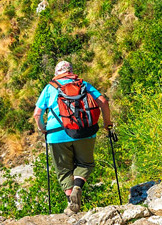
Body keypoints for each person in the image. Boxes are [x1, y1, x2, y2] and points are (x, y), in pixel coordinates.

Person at [33, 60, 113, 215]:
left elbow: (37, 114)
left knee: (63, 170)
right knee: (85, 164)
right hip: (85, 132)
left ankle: (72, 205)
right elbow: (103, 102)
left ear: (57, 73)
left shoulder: (50, 88)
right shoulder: (84, 85)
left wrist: (43, 129)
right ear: (71, 71)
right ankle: (78, 187)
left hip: (57, 134)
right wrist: (107, 123)